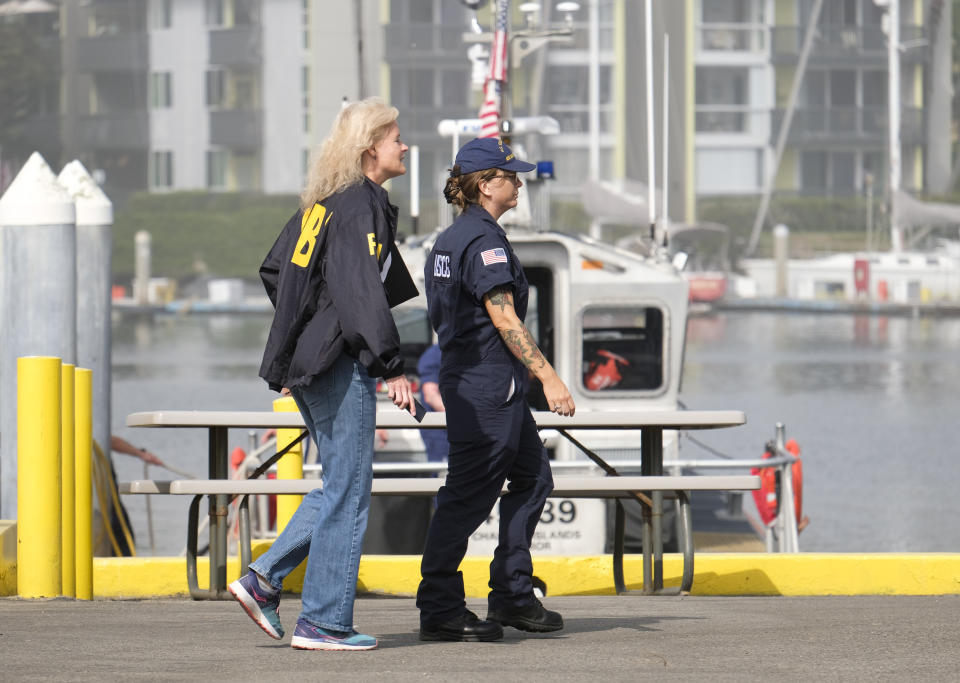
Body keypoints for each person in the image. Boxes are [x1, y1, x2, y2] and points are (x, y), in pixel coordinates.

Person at [228, 97, 418, 652]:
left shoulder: (324, 204)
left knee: (340, 484)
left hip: (313, 365)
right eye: (395, 137)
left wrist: (305, 333)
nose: (404, 146)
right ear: (370, 149)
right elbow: (361, 292)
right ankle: (323, 622)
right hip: (338, 367)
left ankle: (264, 580)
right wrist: (391, 367)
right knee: (351, 491)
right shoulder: (360, 205)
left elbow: (275, 270)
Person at [416, 137, 575, 642]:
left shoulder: (448, 239)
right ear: (486, 185)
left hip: (473, 381)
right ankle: (440, 604)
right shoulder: (483, 242)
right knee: (467, 496)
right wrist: (549, 376)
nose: (519, 183)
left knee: (532, 477)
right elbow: (503, 317)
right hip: (488, 387)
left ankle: (511, 594)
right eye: (511, 176)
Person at [416, 342, 448, 463]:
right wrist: (461, 417)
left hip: (457, 429)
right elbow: (431, 396)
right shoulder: (434, 354)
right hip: (439, 431)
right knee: (440, 475)